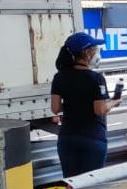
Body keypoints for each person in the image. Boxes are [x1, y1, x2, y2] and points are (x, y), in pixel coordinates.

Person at [50, 32, 119, 177]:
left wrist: (73, 103)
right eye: (94, 49)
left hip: (67, 139)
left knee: (72, 185)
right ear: (87, 53)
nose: (96, 52)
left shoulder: (59, 77)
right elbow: (99, 109)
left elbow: (55, 108)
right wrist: (113, 102)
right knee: (91, 187)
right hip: (92, 138)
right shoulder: (96, 78)